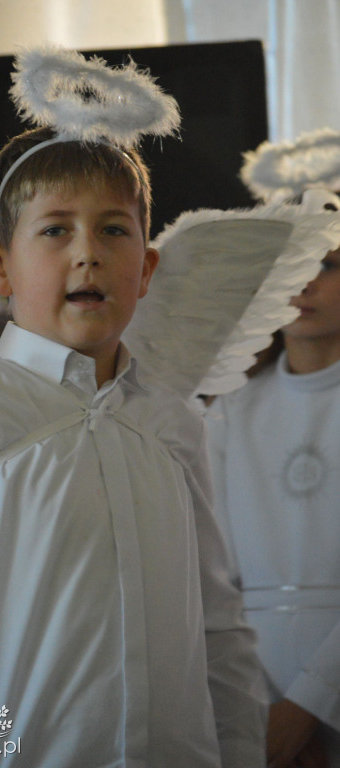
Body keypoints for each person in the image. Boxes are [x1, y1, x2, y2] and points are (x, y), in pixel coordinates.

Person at [0, 57, 267, 767]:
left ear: (147, 269)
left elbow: (217, 629)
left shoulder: (172, 424)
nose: (87, 255)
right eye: (56, 230)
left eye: (114, 231)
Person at [206, 132, 340, 768]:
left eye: (328, 264)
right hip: (252, 692)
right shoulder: (232, 409)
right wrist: (260, 708)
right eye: (291, 262)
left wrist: (311, 704)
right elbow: (213, 578)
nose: (306, 282)